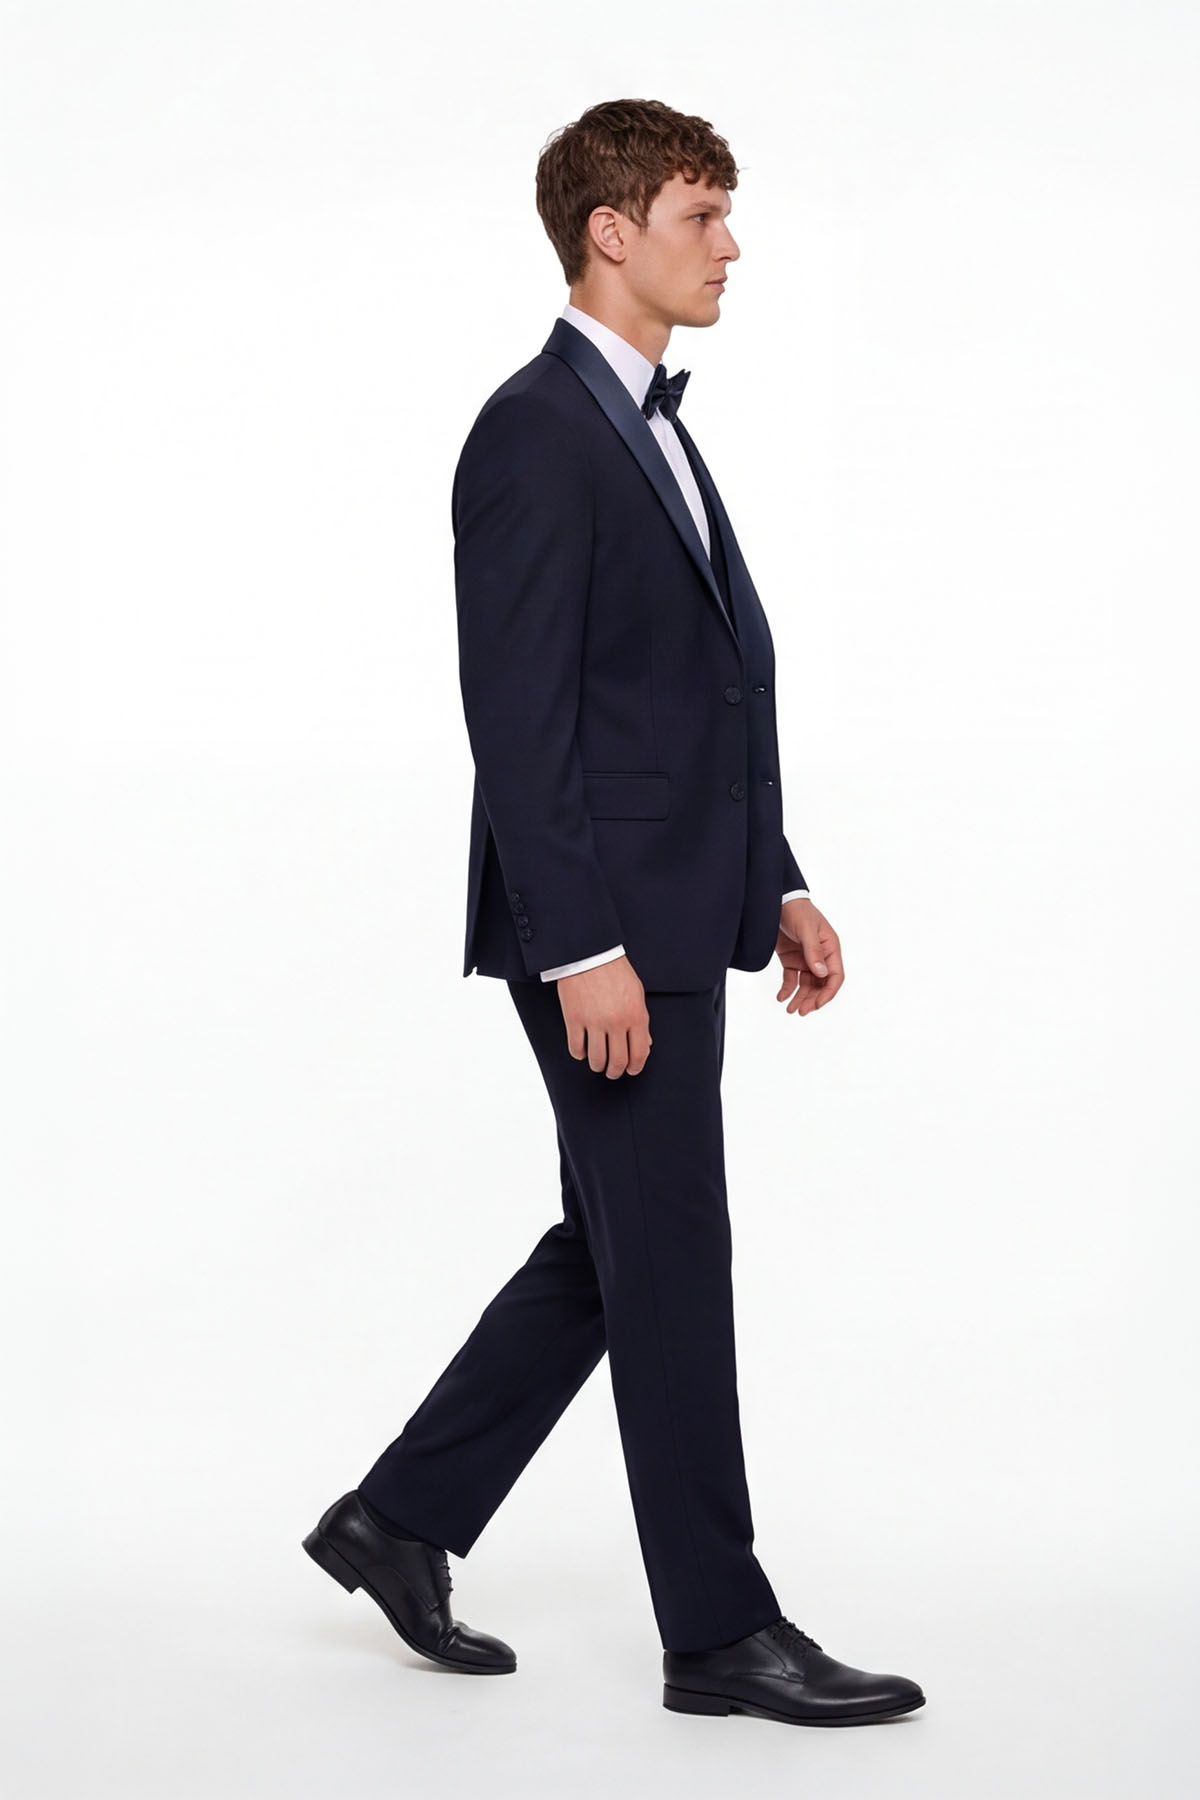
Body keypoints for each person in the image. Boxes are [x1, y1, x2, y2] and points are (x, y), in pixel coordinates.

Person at [303, 97, 925, 1729]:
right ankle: (719, 1633)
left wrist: (774, 879)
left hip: (673, 907)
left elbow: (687, 692)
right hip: (605, 934)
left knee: (617, 1246)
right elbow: (520, 721)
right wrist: (584, 948)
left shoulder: (644, 425)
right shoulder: (535, 431)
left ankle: (400, 1518)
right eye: (703, 216)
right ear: (612, 230)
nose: (731, 247)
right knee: (671, 1255)